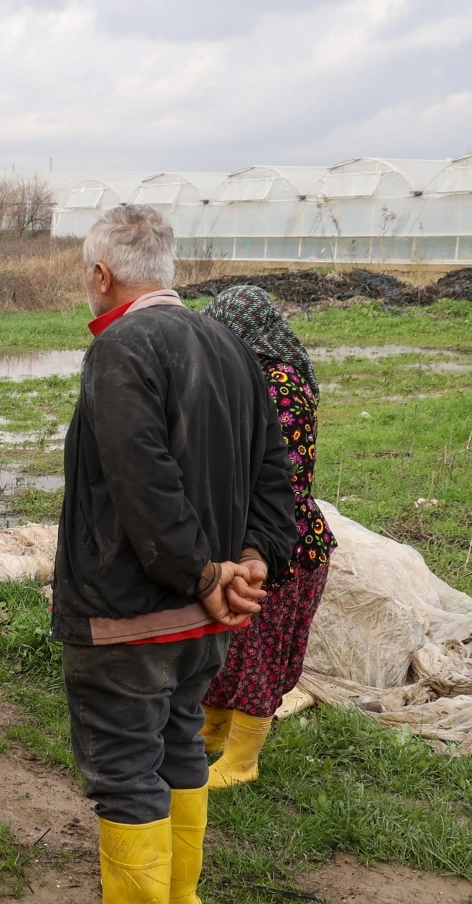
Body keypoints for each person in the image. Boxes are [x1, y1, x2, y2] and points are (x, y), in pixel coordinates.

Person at [42, 206, 295, 904]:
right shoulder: (230, 344)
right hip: (207, 616)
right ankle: (177, 899)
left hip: (132, 614)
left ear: (101, 274)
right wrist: (252, 560)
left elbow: (141, 481)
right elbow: (274, 469)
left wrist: (204, 573)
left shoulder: (121, 347)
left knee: (125, 763)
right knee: (181, 742)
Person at [198, 286, 336, 787]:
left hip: (282, 544)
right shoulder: (247, 375)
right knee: (229, 644)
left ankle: (243, 759)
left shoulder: (281, 383)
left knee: (258, 650)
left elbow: (284, 481)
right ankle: (213, 731)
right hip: (247, 532)